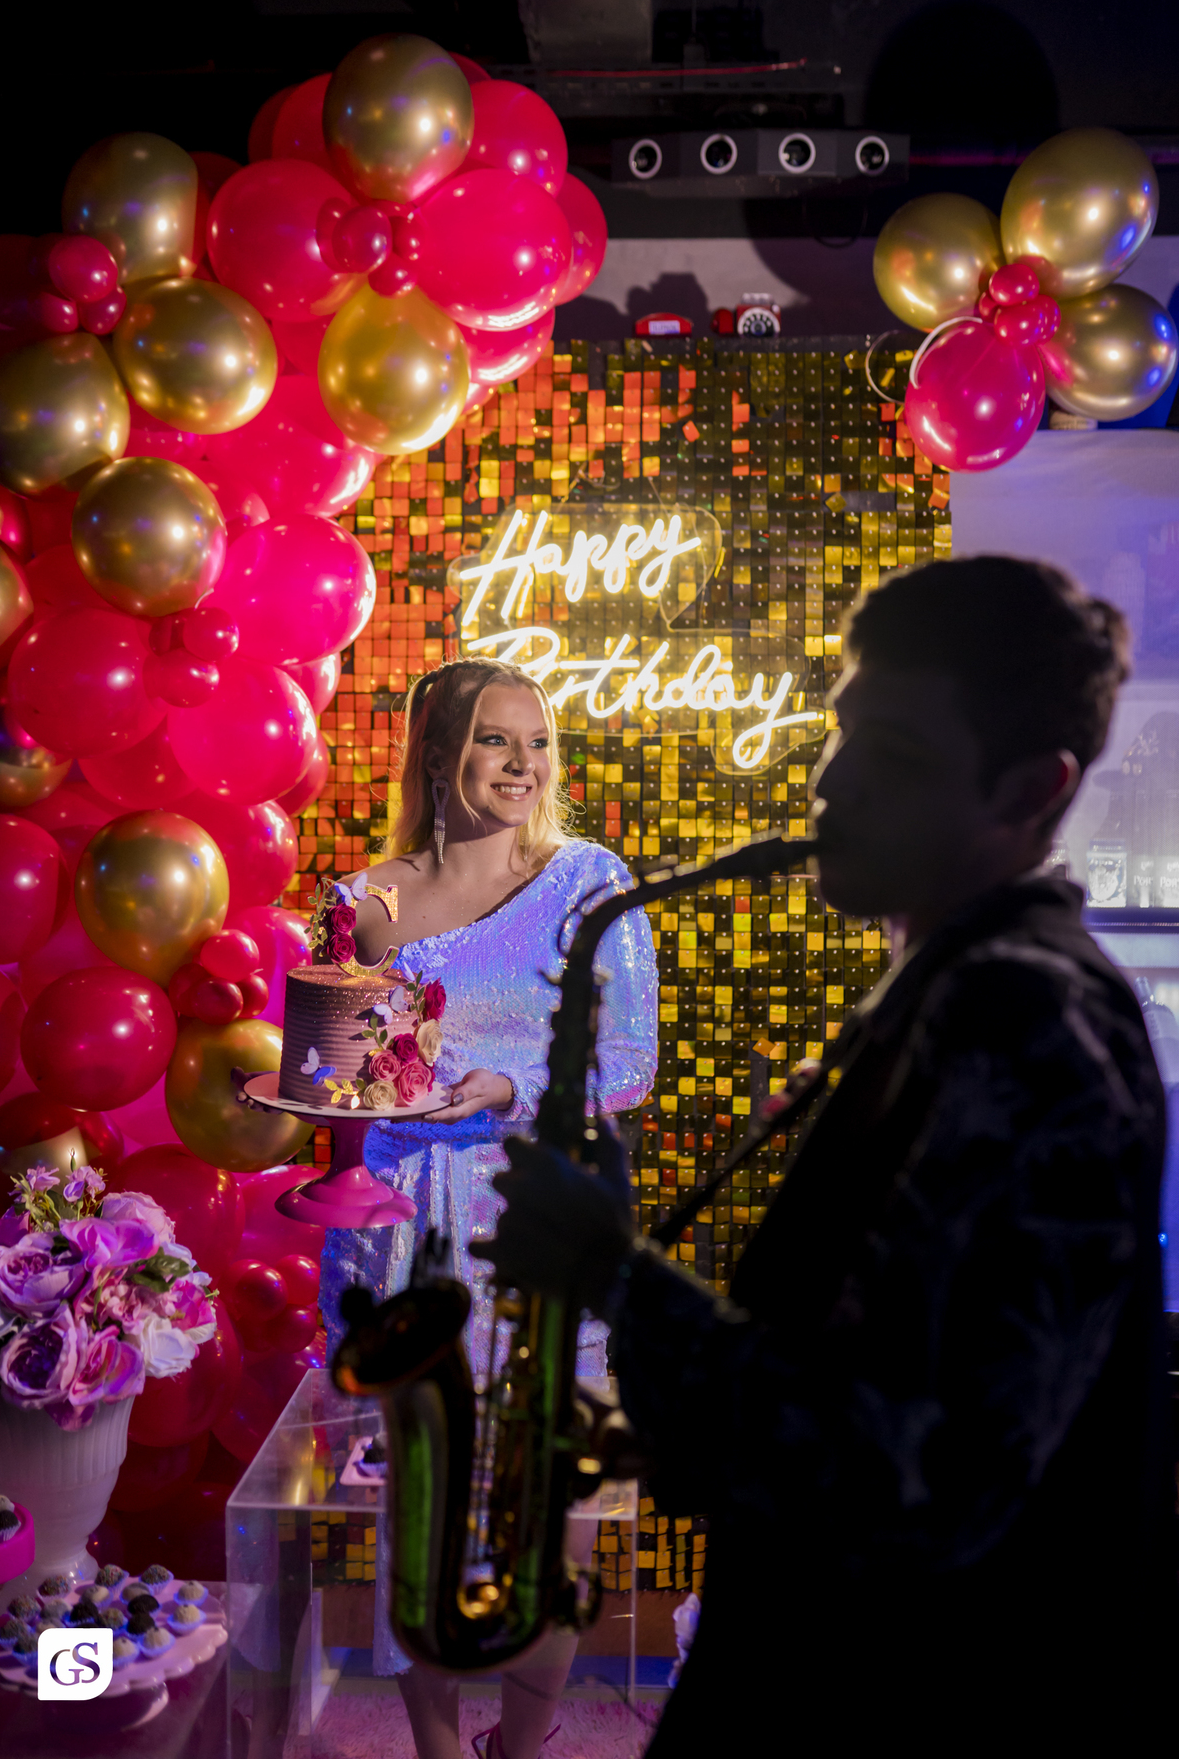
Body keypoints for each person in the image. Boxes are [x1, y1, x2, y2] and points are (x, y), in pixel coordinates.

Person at [475, 558, 1177, 1748]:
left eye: (895, 758)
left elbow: (915, 1484)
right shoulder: (948, 988)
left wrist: (619, 1281)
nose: (831, 786)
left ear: (1032, 789)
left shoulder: (1022, 1021)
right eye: (845, 732)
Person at [318, 656, 657, 1759]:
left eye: (538, 742)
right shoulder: (365, 902)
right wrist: (291, 1081)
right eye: (495, 740)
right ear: (439, 752)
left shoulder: (588, 878)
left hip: (533, 1228)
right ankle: (430, 1749)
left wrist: (510, 1087)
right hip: (402, 1234)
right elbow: (347, 1072)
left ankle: (519, 1747)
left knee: (548, 1531)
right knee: (416, 1517)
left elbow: (632, 1064)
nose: (522, 765)